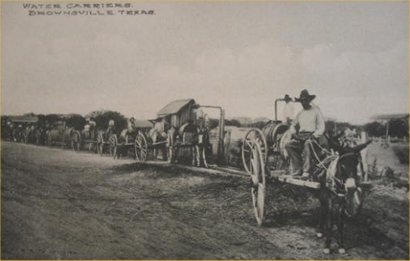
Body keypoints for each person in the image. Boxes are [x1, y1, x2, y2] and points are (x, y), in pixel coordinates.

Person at [285, 89, 326, 178]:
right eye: (302, 101)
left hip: (312, 138)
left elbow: (321, 127)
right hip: (300, 137)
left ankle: (306, 171)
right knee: (289, 145)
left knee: (308, 144)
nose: (303, 102)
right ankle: (298, 169)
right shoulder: (300, 113)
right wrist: (294, 133)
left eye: (305, 100)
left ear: (309, 100)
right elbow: (292, 125)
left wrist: (314, 136)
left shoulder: (316, 111)